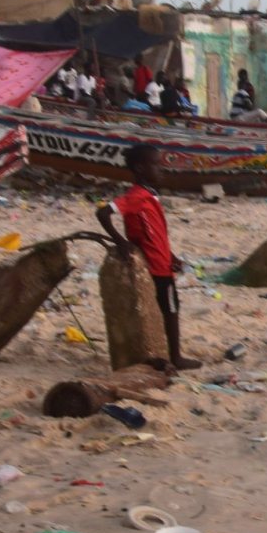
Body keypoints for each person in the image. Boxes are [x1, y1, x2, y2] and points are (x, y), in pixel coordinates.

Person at [96, 146, 197, 371]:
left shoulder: (148, 195)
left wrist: (171, 256)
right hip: (156, 267)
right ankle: (176, 356)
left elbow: (154, 233)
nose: (161, 169)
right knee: (170, 309)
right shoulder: (137, 196)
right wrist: (120, 241)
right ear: (141, 169)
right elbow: (103, 213)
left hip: (161, 261)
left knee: (165, 308)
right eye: (156, 164)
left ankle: (167, 353)